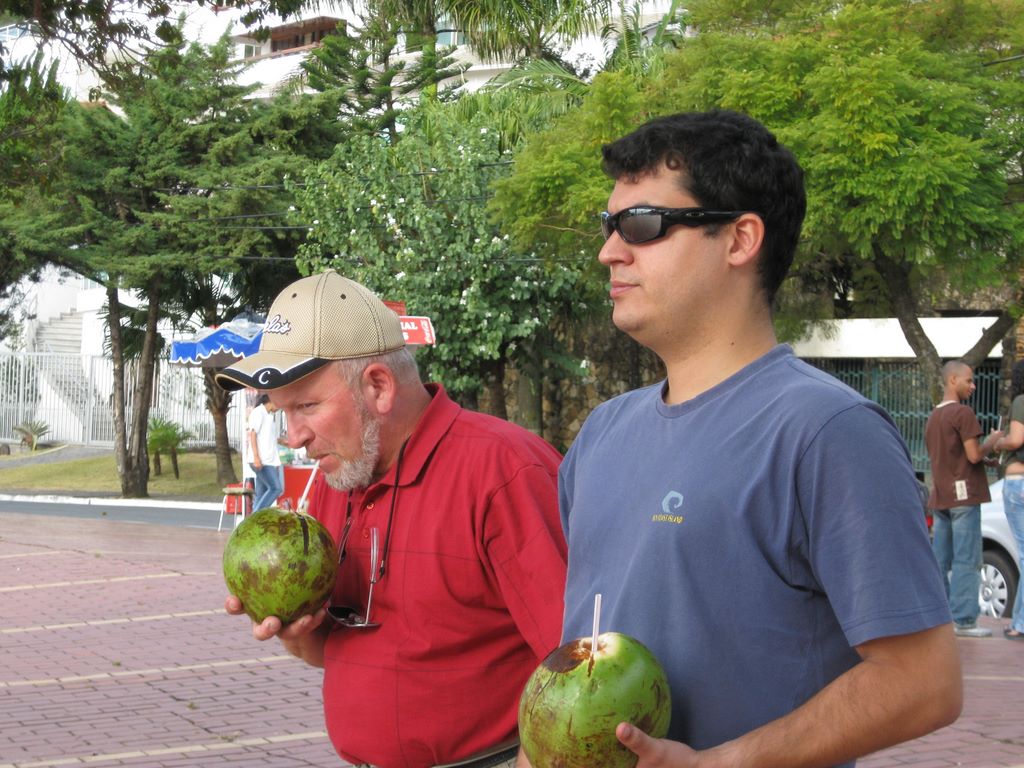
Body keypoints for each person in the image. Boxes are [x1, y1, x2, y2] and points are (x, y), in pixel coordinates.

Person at [554, 110, 962, 768]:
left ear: (741, 239)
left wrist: (726, 761)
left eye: (642, 225)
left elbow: (924, 683)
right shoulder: (601, 435)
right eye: (609, 226)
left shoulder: (827, 432)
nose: (609, 251)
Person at [215, 270, 567, 768]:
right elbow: (336, 652)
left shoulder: (504, 472)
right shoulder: (341, 477)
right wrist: (297, 633)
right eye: (281, 412)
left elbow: (580, 661)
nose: (293, 437)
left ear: (378, 387)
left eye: (307, 406)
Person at [925, 359, 1002, 638]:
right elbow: (972, 455)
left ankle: (939, 617)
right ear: (952, 380)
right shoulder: (963, 413)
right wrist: (992, 441)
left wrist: (984, 459)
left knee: (940, 560)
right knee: (967, 559)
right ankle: (966, 620)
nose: (973, 385)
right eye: (968, 380)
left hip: (941, 495)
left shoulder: (934, 416)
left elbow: (951, 456)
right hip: (964, 496)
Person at [993, 360, 1024, 640]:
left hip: (1018, 481)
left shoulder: (1021, 401)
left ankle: (1021, 624)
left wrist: (999, 441)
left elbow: (1016, 440)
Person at [247, 393, 283, 511]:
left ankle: (252, 524)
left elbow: (271, 438)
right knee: (276, 488)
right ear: (271, 400)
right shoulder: (258, 412)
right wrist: (256, 457)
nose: (280, 407)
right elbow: (253, 434)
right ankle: (255, 517)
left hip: (269, 461)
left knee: (260, 495)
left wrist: (287, 443)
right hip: (262, 461)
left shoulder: (269, 416)